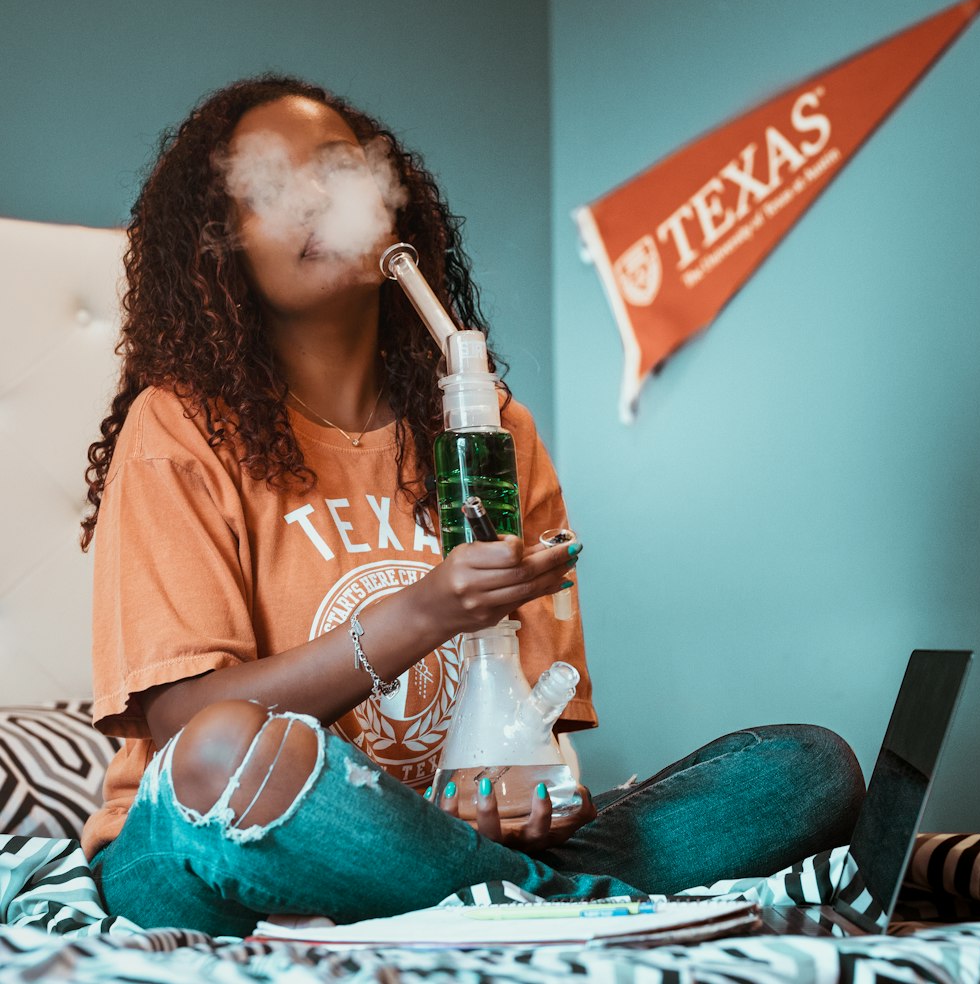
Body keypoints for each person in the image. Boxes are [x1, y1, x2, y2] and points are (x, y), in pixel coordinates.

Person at [80, 74, 864, 937]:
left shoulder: (496, 436)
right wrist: (418, 615)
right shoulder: (180, 427)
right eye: (271, 184)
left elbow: (530, 733)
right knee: (228, 752)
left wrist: (528, 794)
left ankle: (500, 899)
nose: (316, 199)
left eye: (339, 170)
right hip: (217, 841)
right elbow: (184, 721)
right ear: (217, 246)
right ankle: (566, 911)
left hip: (439, 842)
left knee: (806, 768)